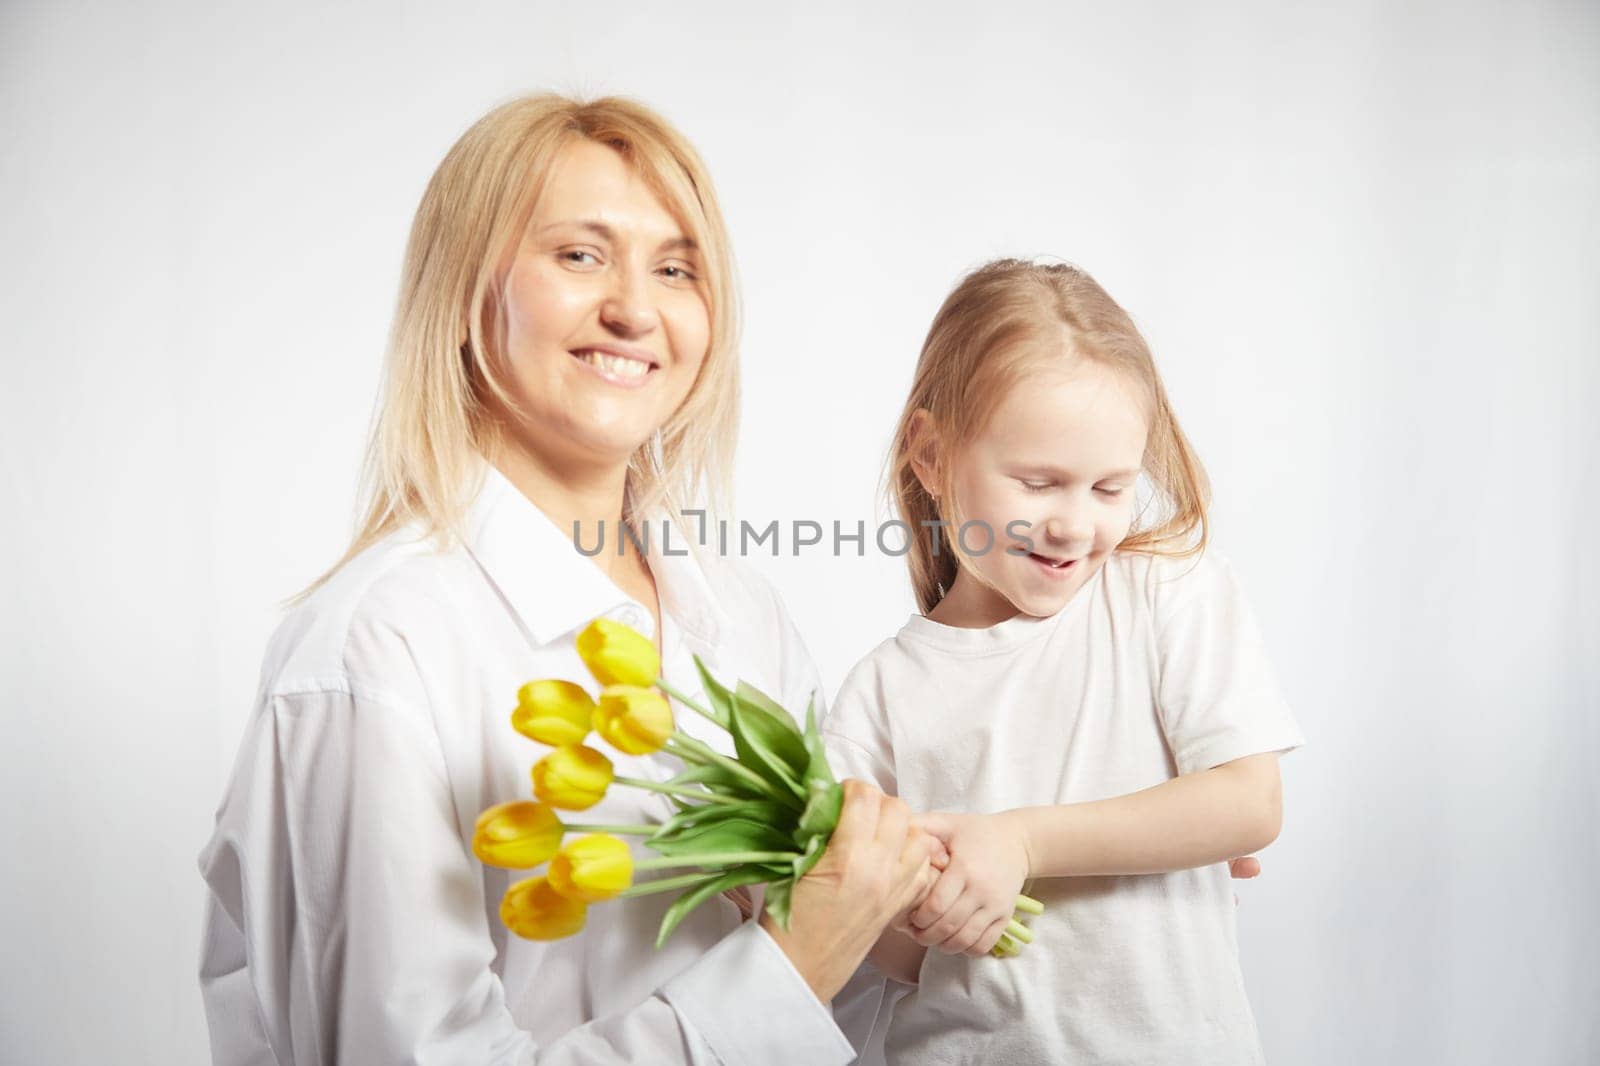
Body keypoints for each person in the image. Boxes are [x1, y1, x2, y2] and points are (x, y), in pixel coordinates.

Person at [196, 94, 942, 1065]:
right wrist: (789, 965)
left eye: (675, 268)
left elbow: (822, 1019)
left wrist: (898, 918)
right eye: (579, 255)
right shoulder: (375, 649)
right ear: (467, 292)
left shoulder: (735, 612)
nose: (635, 308)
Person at [822, 259, 1306, 1064]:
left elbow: (1250, 806)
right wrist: (921, 905)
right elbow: (896, 960)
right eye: (1039, 483)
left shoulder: (1165, 594)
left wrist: (1020, 844)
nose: (1074, 525)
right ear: (931, 455)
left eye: (1110, 489)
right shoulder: (883, 691)